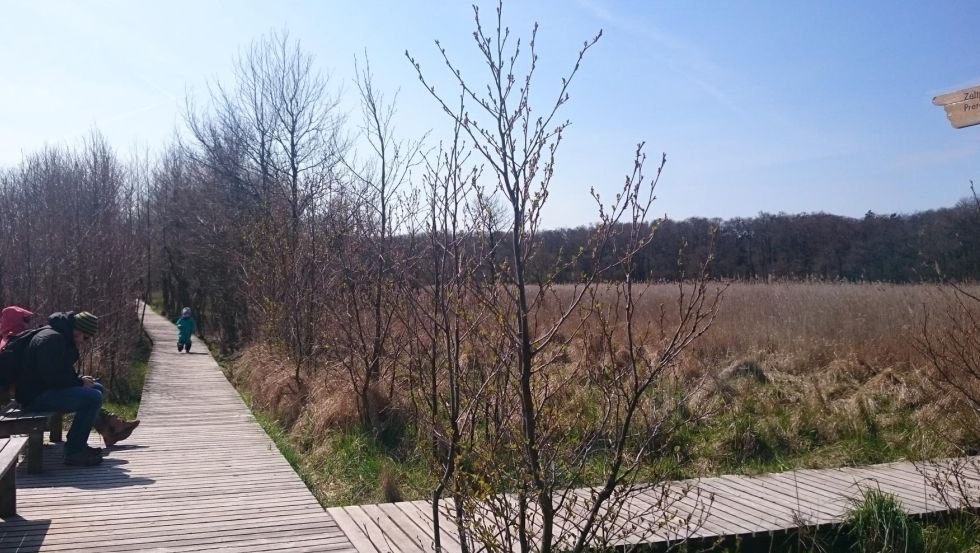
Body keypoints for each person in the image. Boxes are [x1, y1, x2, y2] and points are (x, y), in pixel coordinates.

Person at [15, 311, 140, 466]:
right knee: (92, 397)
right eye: (85, 337)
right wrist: (79, 382)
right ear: (78, 331)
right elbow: (53, 378)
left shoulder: (60, 337)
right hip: (35, 397)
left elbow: (59, 373)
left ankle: (103, 433)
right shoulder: (51, 340)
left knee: (96, 388)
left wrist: (80, 379)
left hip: (42, 390)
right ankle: (74, 451)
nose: (83, 341)